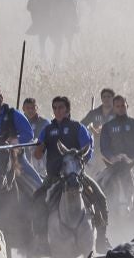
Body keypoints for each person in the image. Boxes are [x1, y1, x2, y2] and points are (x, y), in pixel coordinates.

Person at [33, 96, 109, 249]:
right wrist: (39, 148)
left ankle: (102, 238)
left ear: (67, 110)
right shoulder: (47, 129)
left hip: (76, 176)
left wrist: (79, 164)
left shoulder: (78, 127)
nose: (57, 111)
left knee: (100, 198)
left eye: (60, 107)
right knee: (37, 199)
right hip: (54, 176)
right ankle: (41, 238)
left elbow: (88, 149)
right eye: (54, 108)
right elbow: (38, 155)